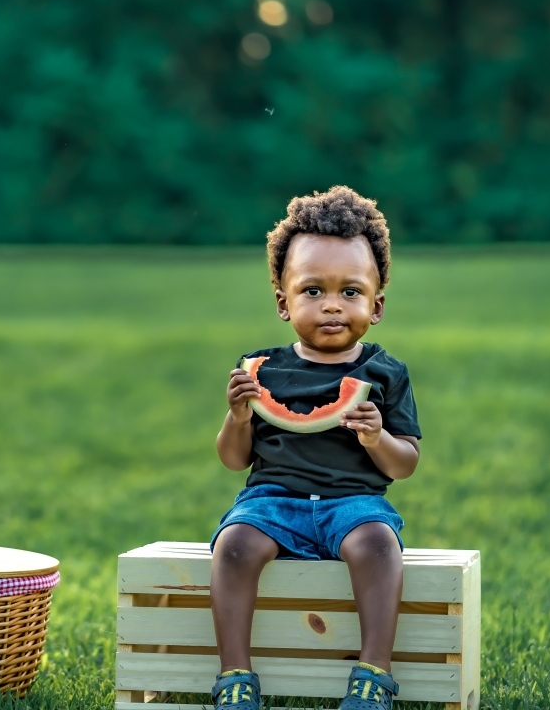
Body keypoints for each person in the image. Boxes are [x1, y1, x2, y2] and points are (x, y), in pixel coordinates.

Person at [209, 187, 422, 710]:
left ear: (377, 306)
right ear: (284, 303)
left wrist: (378, 439)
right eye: (312, 291)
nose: (331, 304)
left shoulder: (384, 373)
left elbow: (406, 462)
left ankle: (374, 673)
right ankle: (235, 676)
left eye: (351, 291)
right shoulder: (260, 370)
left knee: (377, 545)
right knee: (232, 546)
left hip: (355, 502)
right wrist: (238, 417)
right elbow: (235, 460)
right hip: (271, 499)